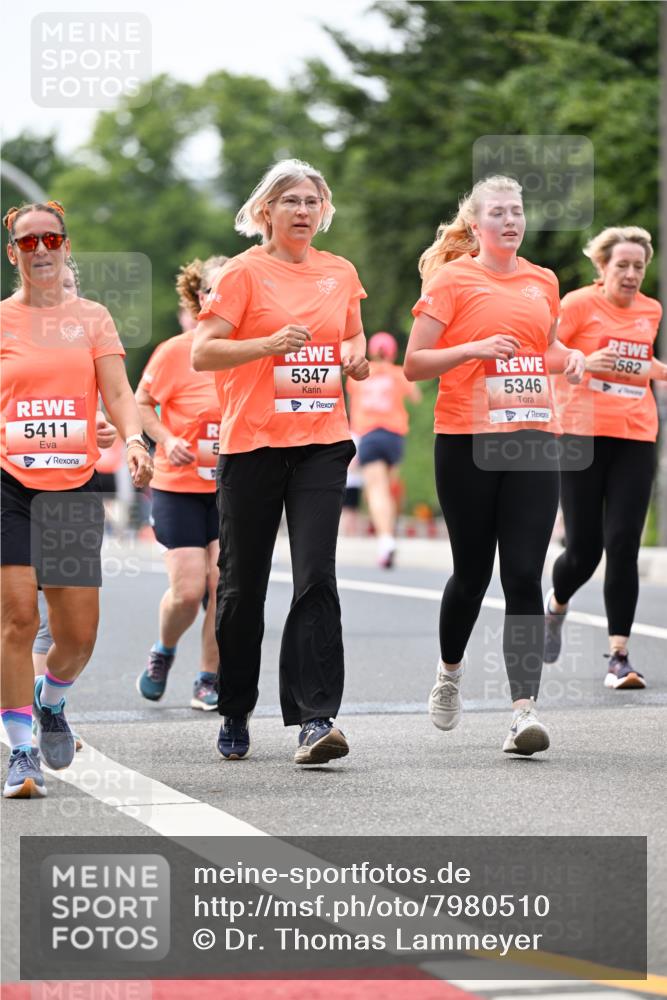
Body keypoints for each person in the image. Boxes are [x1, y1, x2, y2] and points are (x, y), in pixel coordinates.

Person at [192, 159, 368, 764]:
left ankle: (316, 719)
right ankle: (236, 706)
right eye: (290, 200)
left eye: (312, 201)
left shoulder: (339, 272)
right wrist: (266, 345)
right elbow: (203, 352)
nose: (302, 210)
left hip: (322, 441)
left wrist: (354, 357)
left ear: (323, 211)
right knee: (243, 587)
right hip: (253, 445)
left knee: (316, 576)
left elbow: (352, 334)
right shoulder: (243, 273)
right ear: (265, 210)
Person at [404, 175, 585, 756]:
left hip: (534, 437)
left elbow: (544, 348)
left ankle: (523, 712)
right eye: (499, 213)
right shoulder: (452, 280)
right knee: (472, 573)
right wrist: (471, 350)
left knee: (524, 574)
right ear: (477, 224)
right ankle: (449, 672)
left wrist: (570, 357)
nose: (510, 221)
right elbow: (414, 363)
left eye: (517, 212)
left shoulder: (543, 280)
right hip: (467, 441)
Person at [1, 200, 153, 798]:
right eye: (28, 242)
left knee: (78, 636)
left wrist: (135, 439)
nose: (40, 249)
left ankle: (51, 700)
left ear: (66, 246)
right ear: (12, 253)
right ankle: (21, 753)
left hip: (71, 486)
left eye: (50, 239)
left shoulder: (92, 318)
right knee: (18, 619)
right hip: (10, 482)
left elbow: (117, 391)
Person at [545, 226, 667, 687]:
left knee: (623, 543)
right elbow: (545, 354)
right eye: (623, 265)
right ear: (602, 266)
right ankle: (556, 604)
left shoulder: (650, 310)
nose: (631, 274)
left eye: (639, 266)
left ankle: (619, 657)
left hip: (636, 434)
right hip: (580, 435)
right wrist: (580, 360)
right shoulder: (577, 304)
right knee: (583, 551)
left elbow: (641, 364)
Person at [135, 256, 226, 710]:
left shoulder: (252, 349)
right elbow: (142, 403)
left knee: (222, 586)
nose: (222, 298)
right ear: (199, 297)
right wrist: (167, 440)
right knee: (189, 591)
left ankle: (209, 677)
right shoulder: (175, 351)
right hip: (179, 487)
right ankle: (164, 649)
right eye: (214, 290)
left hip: (231, 488)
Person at [345, 331, 421, 567]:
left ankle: (386, 540)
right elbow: (416, 397)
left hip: (369, 435)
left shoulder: (358, 376)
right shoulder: (398, 374)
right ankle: (389, 534)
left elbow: (354, 406)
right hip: (394, 436)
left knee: (376, 491)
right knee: (386, 489)